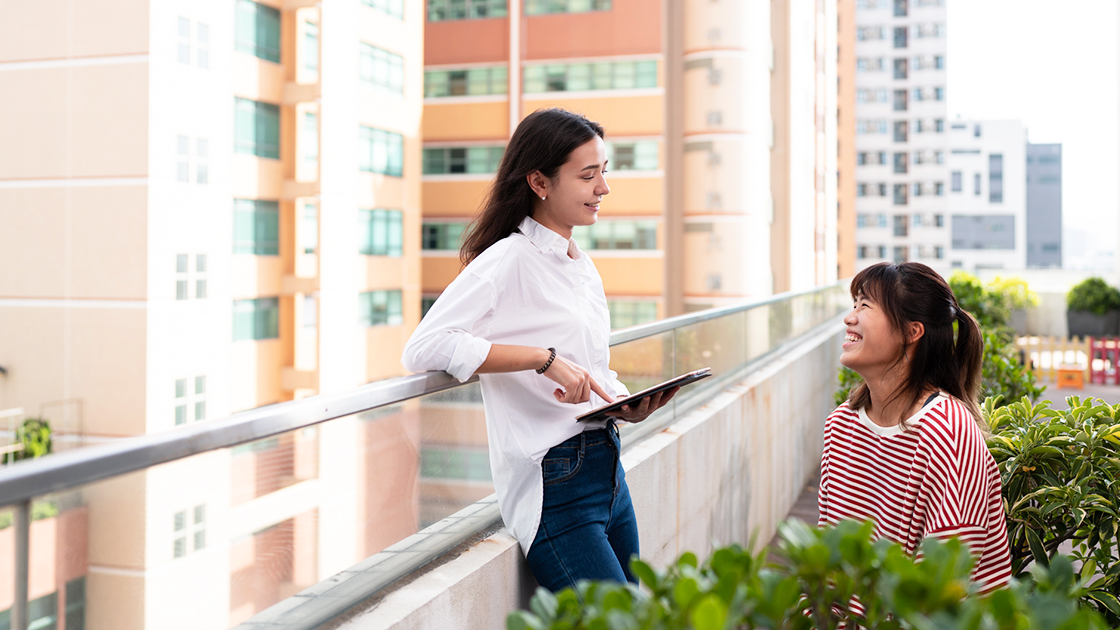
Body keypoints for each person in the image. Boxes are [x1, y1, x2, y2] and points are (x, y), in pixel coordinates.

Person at [402, 108, 676, 591]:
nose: (603, 188)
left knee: (644, 617)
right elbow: (424, 347)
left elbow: (593, 368)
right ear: (540, 182)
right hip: (555, 481)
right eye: (588, 175)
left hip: (608, 467)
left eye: (603, 173)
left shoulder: (581, 266)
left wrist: (624, 404)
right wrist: (539, 359)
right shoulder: (507, 259)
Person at [818, 262, 1012, 595]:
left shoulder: (948, 432)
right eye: (854, 305)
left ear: (912, 332)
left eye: (865, 306)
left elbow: (939, 592)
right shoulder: (841, 426)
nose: (850, 318)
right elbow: (824, 563)